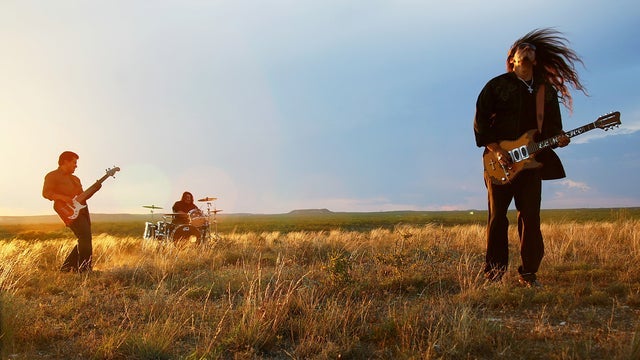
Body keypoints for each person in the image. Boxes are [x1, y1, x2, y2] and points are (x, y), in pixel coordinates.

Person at [473, 28, 586, 287]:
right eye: (520, 48)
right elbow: (480, 124)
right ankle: (494, 274)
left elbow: (553, 128)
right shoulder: (496, 86)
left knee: (531, 217)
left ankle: (528, 273)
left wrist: (560, 138)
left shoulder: (546, 91)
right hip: (498, 162)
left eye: (530, 48)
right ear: (512, 59)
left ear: (535, 59)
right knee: (497, 218)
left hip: (532, 163)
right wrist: (498, 151)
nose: (526, 49)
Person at [42, 151, 95, 272]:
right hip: (66, 210)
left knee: (85, 237)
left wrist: (94, 189)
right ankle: (84, 269)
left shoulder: (76, 179)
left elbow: (82, 196)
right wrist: (63, 197)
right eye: (74, 162)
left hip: (82, 209)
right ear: (65, 161)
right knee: (84, 236)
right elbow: (46, 193)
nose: (76, 165)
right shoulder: (52, 176)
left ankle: (67, 268)